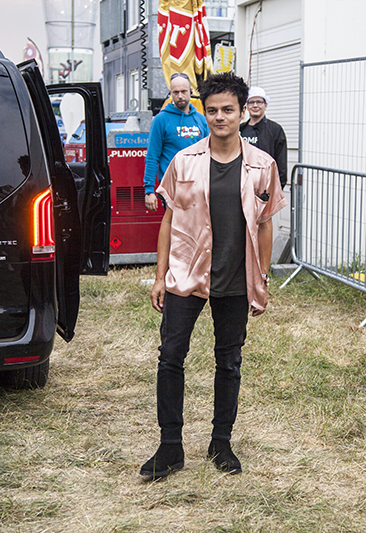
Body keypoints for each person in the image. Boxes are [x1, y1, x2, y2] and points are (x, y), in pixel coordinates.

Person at [140, 72, 287, 480]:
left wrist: (262, 279)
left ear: (242, 113)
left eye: (228, 110)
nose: (220, 117)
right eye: (212, 110)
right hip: (186, 274)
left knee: (229, 361)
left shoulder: (263, 166)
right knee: (171, 357)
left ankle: (221, 443)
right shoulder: (184, 161)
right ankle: (170, 446)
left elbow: (265, 225)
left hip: (236, 279)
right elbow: (169, 221)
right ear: (203, 113)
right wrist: (159, 277)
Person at [143, 72, 209, 211]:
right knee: (175, 225)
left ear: (191, 91)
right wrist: (149, 190)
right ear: (170, 93)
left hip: (199, 187)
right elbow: (152, 157)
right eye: (176, 92)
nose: (180, 96)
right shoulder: (160, 120)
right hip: (172, 189)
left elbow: (211, 152)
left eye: (184, 91)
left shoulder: (201, 119)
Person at [239, 87, 288, 188]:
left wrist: (275, 190)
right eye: (251, 102)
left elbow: (281, 166)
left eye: (259, 102)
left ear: (265, 105)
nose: (255, 105)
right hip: (242, 186)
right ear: (246, 107)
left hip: (266, 187)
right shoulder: (240, 130)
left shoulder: (275, 130)